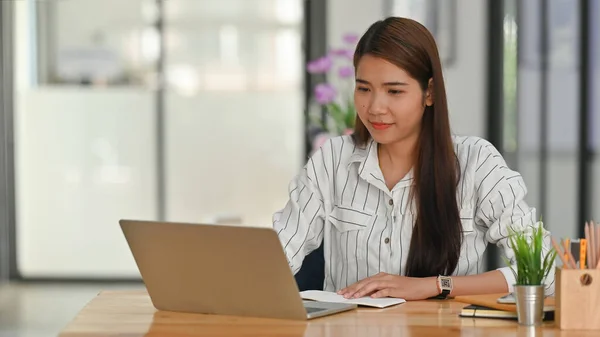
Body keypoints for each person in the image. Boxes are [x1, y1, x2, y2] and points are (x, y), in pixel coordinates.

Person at [273, 17, 554, 301]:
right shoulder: (332, 159)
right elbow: (277, 255)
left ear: (429, 92)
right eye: (364, 89)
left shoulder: (476, 163)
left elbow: (543, 269)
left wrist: (434, 285)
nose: (375, 107)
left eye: (394, 91)